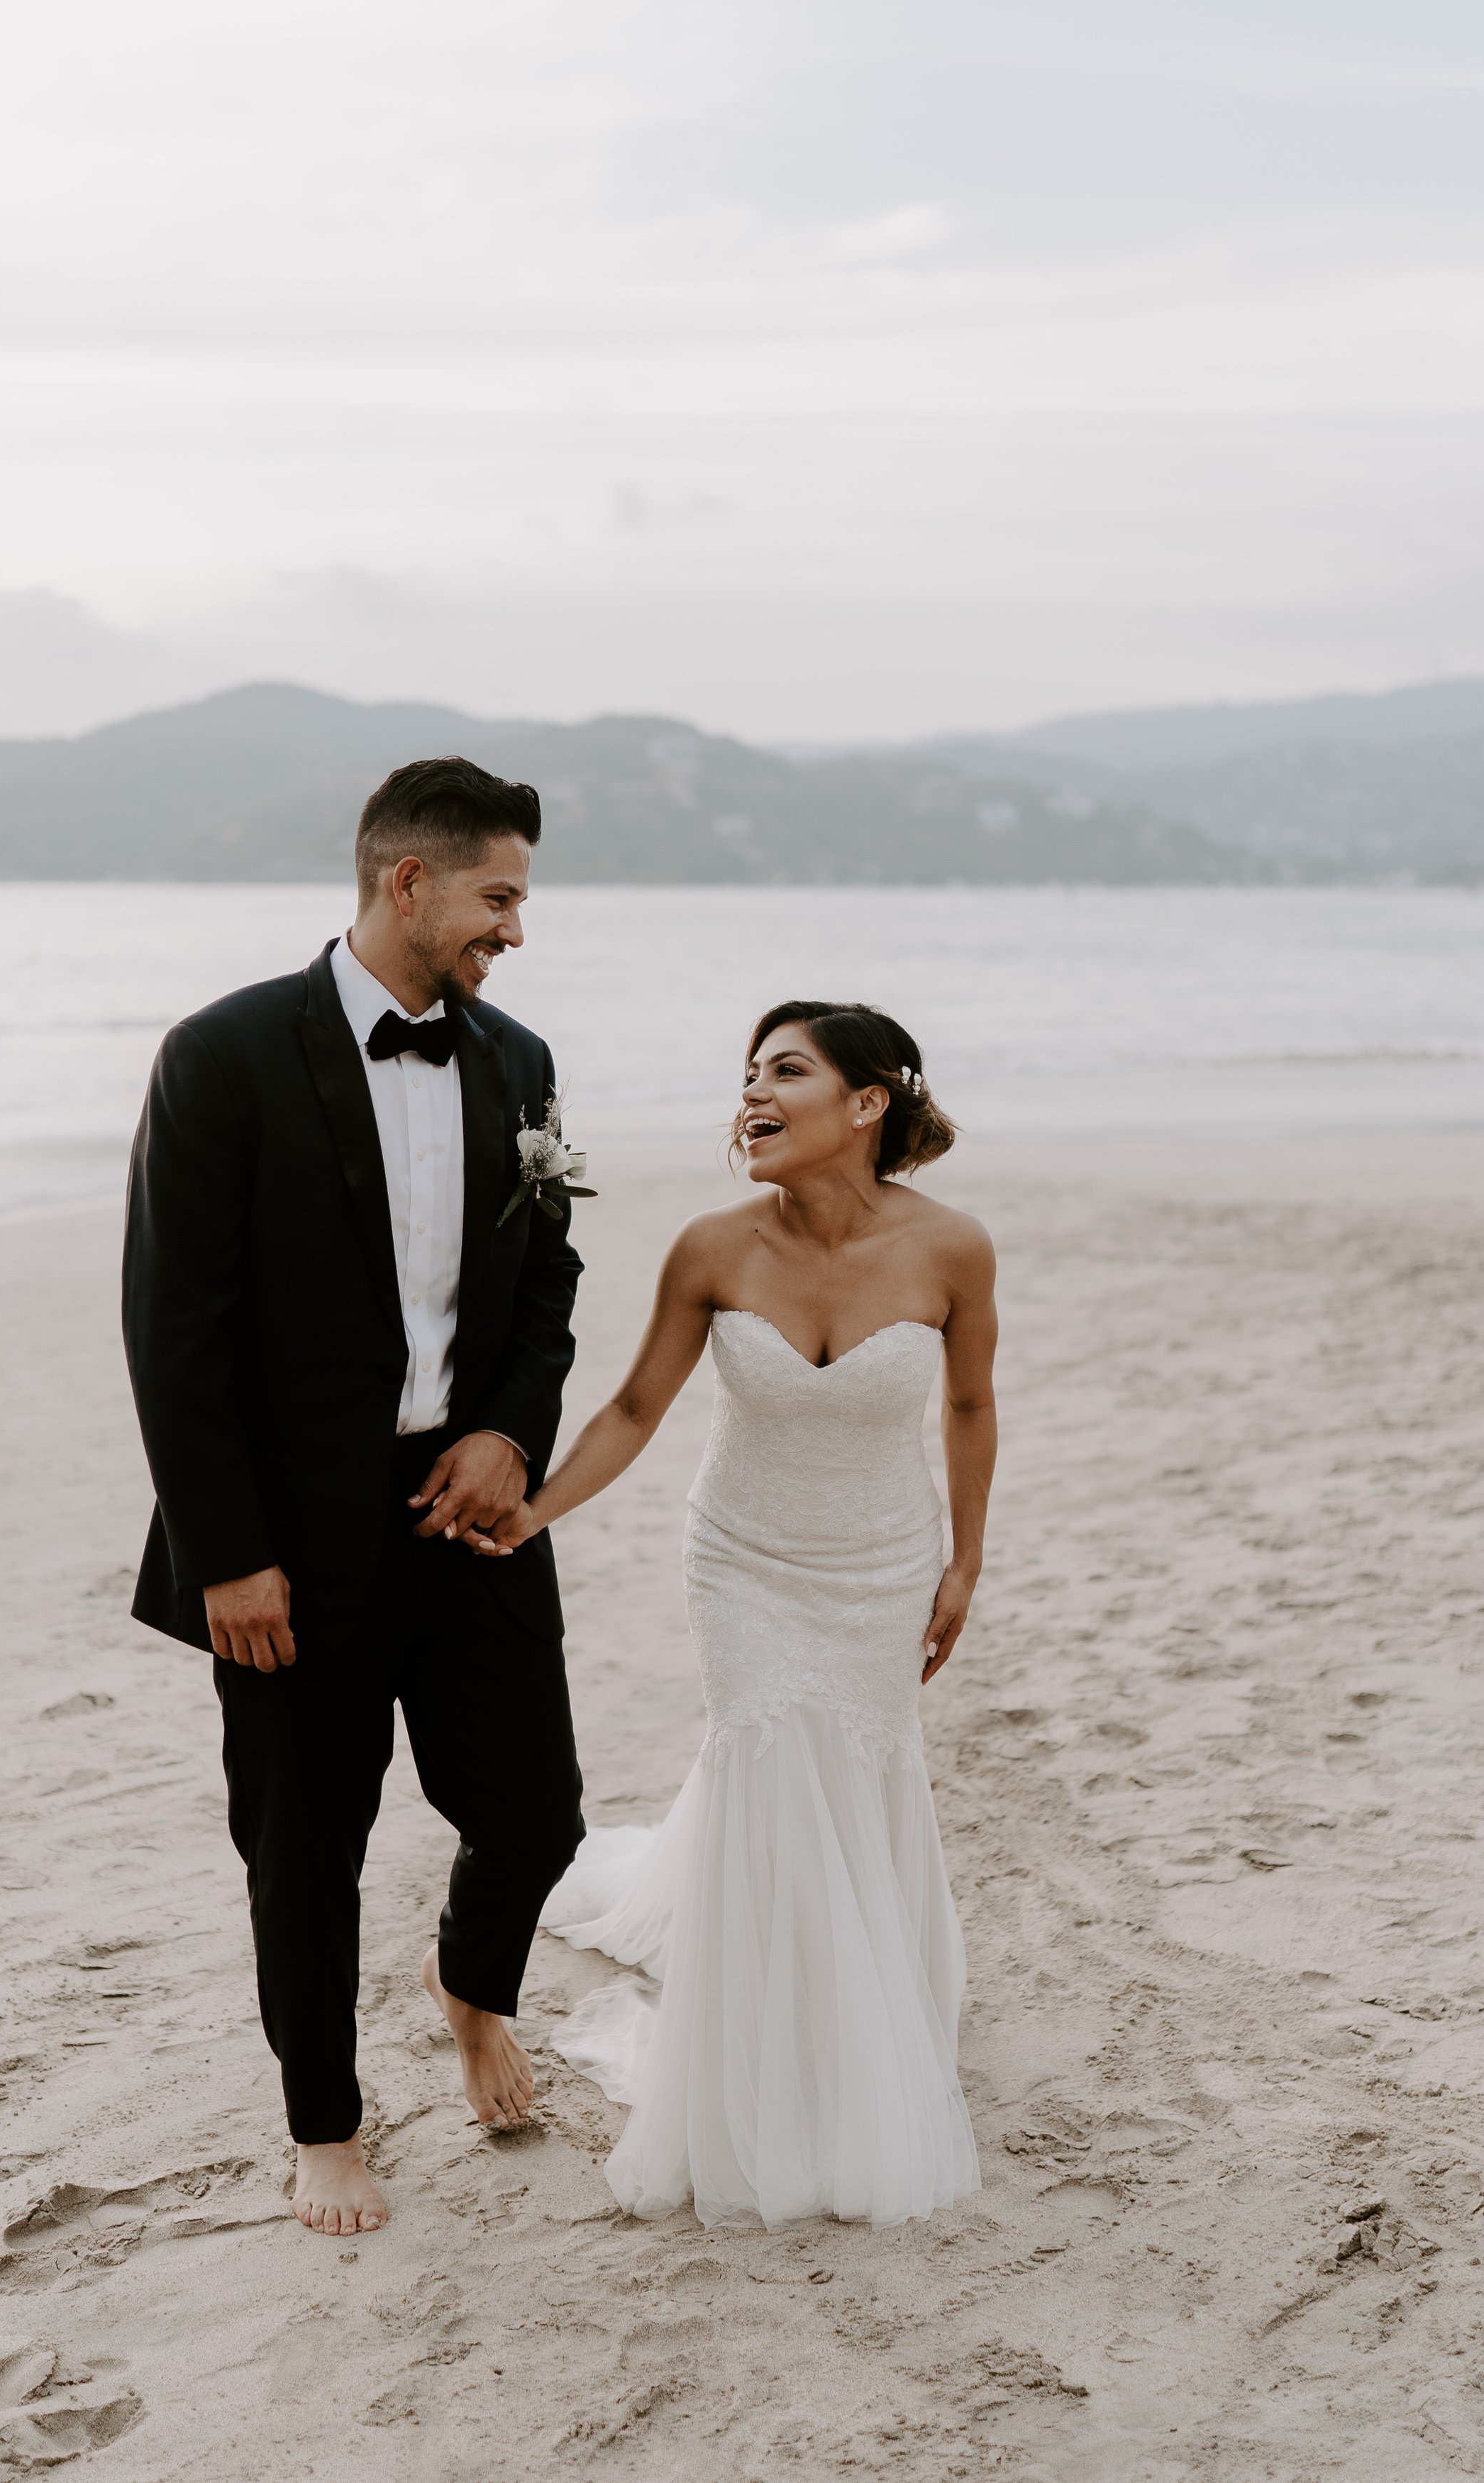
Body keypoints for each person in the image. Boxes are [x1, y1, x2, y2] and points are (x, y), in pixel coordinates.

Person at [121, 756, 587, 2240]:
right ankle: (323, 2120)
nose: (512, 927)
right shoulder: (223, 1051)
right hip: (286, 1532)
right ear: (408, 882)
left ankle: (471, 1986)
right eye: (496, 897)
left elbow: (549, 1284)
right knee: (304, 1846)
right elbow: (170, 1327)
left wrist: (511, 1435)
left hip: (470, 1505)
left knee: (536, 1810)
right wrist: (228, 1556)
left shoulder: (516, 1062)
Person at [480, 1000, 995, 2229]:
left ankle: (869, 2012)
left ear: (867, 1104)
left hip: (878, 1560)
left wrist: (965, 1562)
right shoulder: (711, 1247)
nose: (751, 1097)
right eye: (748, 1077)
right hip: (745, 1560)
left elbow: (970, 1409)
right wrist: (531, 1511)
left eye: (786, 1073)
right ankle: (766, 2061)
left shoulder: (953, 1249)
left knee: (858, 1765)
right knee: (769, 1753)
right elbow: (630, 1410)